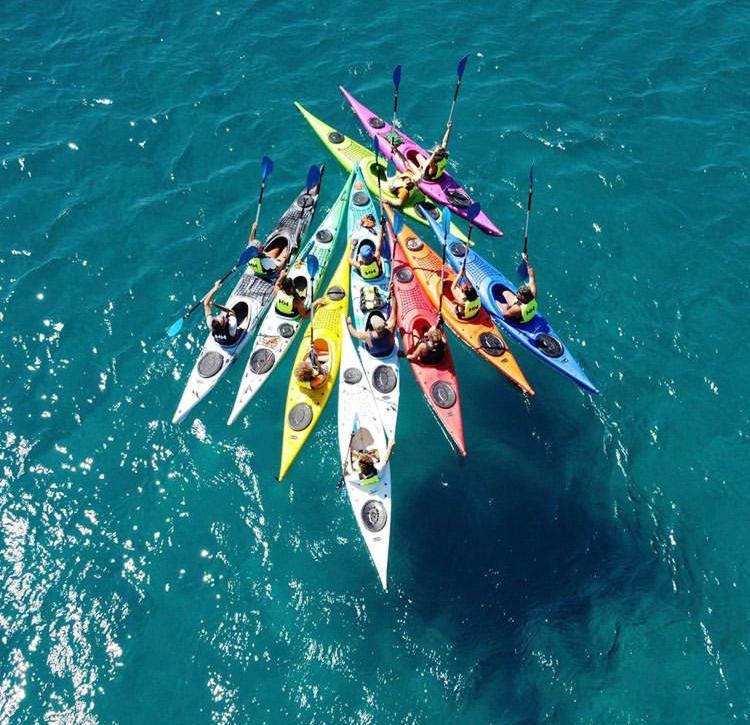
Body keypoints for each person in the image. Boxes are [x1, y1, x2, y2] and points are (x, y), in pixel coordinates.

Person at [347, 286, 397, 357]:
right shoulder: (391, 329)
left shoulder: (367, 335)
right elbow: (394, 312)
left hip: (374, 354)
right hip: (389, 351)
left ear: (374, 328)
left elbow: (354, 333)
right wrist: (393, 295)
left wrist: (349, 323)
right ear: (384, 324)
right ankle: (397, 352)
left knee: (367, 333)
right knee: (390, 339)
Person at [499, 253, 538, 323]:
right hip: (527, 312)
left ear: (523, 298)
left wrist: (505, 308)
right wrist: (526, 260)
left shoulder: (517, 308)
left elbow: (505, 315)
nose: (516, 294)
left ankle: (507, 306)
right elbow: (532, 276)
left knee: (498, 303)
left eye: (518, 294)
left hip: (520, 320)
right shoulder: (533, 295)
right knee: (505, 292)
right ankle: (509, 305)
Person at [204, 279, 238, 345]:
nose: (222, 316)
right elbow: (231, 312)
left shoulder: (210, 324)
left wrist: (215, 288)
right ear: (223, 325)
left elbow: (206, 303)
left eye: (217, 317)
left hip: (220, 341)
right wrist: (216, 305)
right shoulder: (232, 326)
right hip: (231, 341)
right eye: (223, 318)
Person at [349, 214, 383, 280]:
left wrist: (352, 249)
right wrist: (381, 228)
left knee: (353, 237)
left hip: (365, 278)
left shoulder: (359, 265)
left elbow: (349, 259)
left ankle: (361, 226)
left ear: (361, 257)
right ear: (373, 254)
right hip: (377, 276)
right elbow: (378, 245)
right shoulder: (376, 259)